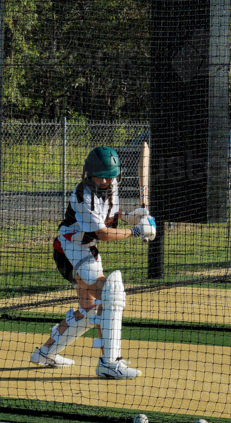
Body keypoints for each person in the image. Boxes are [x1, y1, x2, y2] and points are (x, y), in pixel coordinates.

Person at [30, 145, 156, 379]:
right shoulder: (83, 194)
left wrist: (131, 217)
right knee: (111, 295)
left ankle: (45, 353)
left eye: (111, 177)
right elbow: (103, 234)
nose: (107, 182)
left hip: (86, 250)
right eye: (103, 177)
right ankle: (109, 363)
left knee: (89, 310)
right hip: (70, 250)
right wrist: (137, 231)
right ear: (90, 173)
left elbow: (111, 217)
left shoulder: (111, 187)